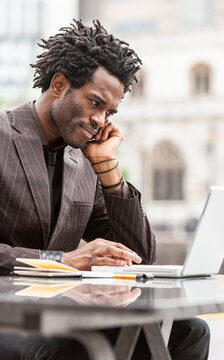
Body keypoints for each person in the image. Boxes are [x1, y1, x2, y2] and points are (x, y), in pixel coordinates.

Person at [0, 19, 210, 359]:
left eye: (109, 111)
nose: (101, 120)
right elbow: (64, 261)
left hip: (59, 315)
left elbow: (140, 256)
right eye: (95, 103)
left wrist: (107, 169)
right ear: (59, 84)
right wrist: (60, 261)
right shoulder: (3, 135)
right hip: (9, 318)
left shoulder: (83, 162)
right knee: (66, 351)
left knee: (188, 332)